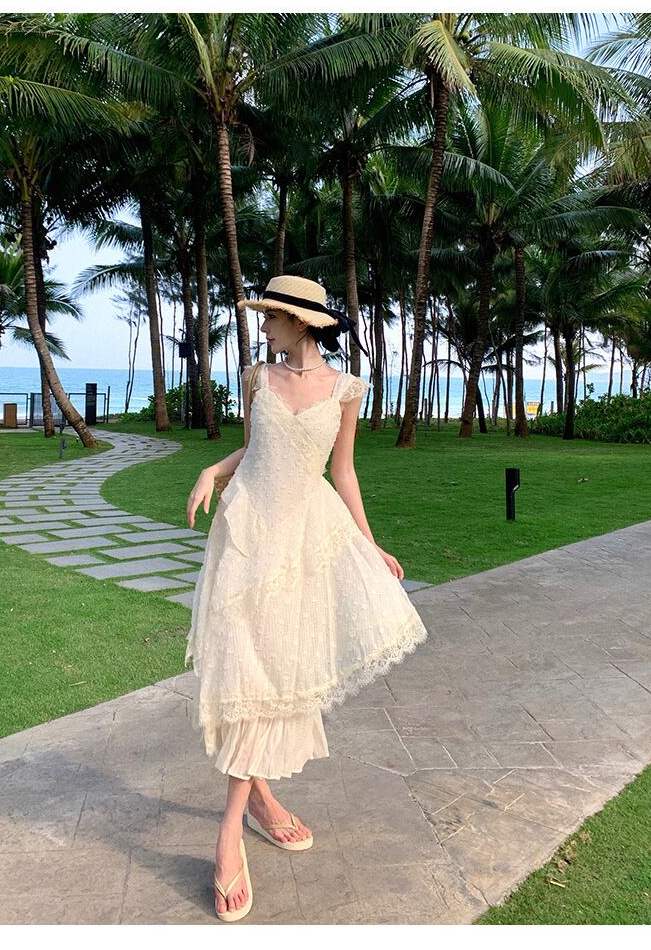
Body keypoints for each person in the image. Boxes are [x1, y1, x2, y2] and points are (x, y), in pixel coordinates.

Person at [184, 275, 429, 921]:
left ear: (301, 323)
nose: (263, 325)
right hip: (245, 537)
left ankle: (241, 818)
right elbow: (255, 449)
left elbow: (342, 471)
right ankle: (243, 819)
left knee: (272, 678)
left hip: (303, 546)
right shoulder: (256, 378)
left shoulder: (346, 390)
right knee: (246, 675)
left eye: (272, 316)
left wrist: (370, 546)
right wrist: (212, 469)